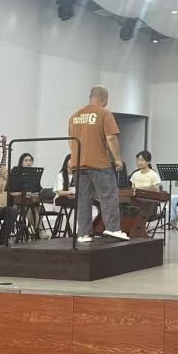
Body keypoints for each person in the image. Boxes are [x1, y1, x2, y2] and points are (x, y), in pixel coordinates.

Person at [68, 85, 129, 243]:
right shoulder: (104, 113)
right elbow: (111, 138)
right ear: (104, 98)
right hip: (99, 164)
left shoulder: (74, 116)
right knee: (108, 196)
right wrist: (117, 158)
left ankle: (84, 233)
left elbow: (71, 141)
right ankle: (113, 229)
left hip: (78, 164)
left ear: (90, 97)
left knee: (83, 199)